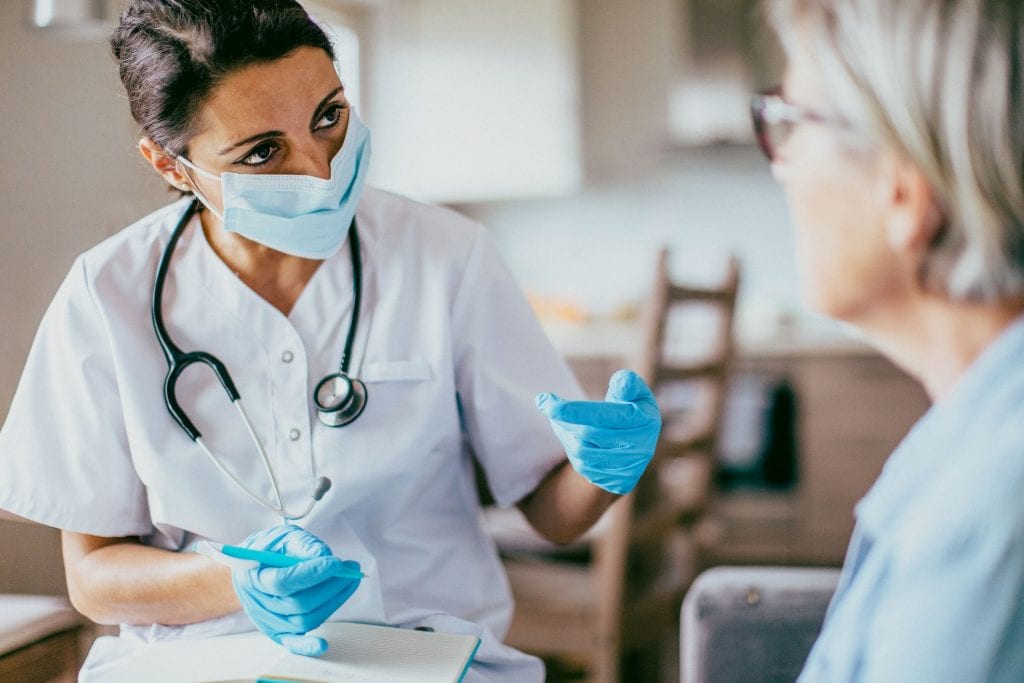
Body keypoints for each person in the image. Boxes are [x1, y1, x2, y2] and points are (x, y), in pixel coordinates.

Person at [0, 1, 662, 680]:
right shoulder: (106, 294)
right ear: (172, 166)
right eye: (262, 152)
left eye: (329, 117)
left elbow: (552, 515)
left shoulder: (446, 258)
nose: (320, 171)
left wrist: (600, 469)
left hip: (420, 655)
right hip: (200, 660)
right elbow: (93, 576)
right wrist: (236, 583)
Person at [752, 0, 1024, 679]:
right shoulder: (977, 423)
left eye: (790, 123)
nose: (780, 167)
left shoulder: (984, 520)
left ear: (902, 188)